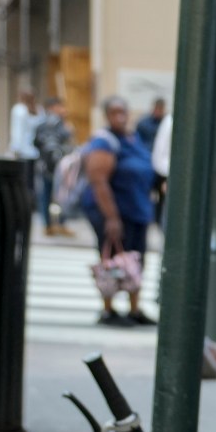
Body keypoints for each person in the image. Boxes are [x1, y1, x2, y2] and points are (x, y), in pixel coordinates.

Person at [78, 96, 157, 327]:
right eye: (114, 112)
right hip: (113, 212)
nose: (120, 116)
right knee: (112, 261)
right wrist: (111, 218)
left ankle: (134, 309)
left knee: (135, 261)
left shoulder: (132, 139)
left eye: (123, 111)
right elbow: (98, 180)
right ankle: (109, 310)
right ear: (106, 115)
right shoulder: (104, 142)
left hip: (136, 209)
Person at [32, 97, 74, 234]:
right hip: (51, 165)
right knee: (50, 194)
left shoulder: (50, 124)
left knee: (56, 194)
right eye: (59, 107)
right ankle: (51, 224)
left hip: (54, 165)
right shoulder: (53, 124)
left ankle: (53, 224)